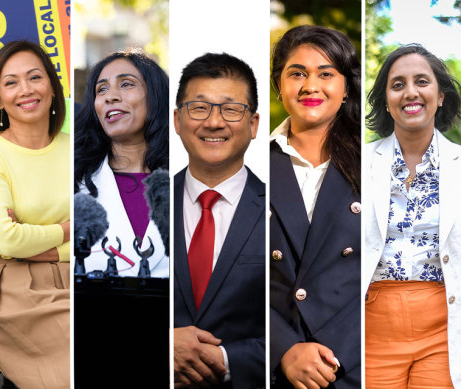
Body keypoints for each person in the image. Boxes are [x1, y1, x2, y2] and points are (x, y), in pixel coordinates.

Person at [269, 25, 361, 388]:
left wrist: (333, 351)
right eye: (297, 73)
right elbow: (234, 274)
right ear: (279, 85)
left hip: (352, 364)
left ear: (345, 86)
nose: (310, 86)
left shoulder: (376, 167)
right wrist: (286, 349)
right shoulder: (249, 166)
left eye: (325, 73)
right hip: (273, 366)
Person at [365, 44, 461, 388]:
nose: (410, 92)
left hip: (443, 331)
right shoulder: (356, 164)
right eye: (397, 84)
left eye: (422, 81)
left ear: (440, 97)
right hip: (370, 329)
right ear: (387, 100)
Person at [0, 40, 70, 389]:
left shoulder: (80, 148)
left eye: (35, 77)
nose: (26, 89)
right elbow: (7, 239)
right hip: (15, 286)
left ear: (51, 85)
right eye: (11, 82)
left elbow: (100, 236)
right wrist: (67, 230)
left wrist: (49, 247)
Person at [173, 52, 265, 389]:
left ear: (253, 124)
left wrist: (225, 359)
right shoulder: (142, 205)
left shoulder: (281, 210)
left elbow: (301, 326)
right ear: (177, 120)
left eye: (230, 109)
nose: (213, 122)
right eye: (199, 108)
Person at [75, 48, 169, 277]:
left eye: (126, 84)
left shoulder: (189, 181)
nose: (110, 96)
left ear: (155, 94)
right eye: (102, 89)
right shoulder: (73, 182)